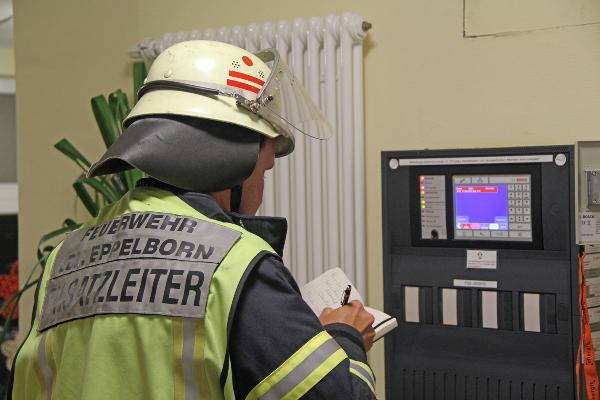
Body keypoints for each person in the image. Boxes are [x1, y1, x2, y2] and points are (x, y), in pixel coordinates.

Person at [9, 40, 377, 400]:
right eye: (264, 170)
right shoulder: (234, 264)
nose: (262, 189)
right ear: (232, 160)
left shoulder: (64, 258)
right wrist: (346, 338)